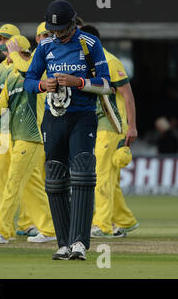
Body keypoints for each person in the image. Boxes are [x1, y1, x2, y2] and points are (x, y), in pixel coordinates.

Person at [24, 0, 111, 260]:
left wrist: (80, 82)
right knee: (55, 176)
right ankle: (63, 244)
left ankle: (80, 243)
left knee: (83, 173)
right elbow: (28, 81)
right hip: (54, 117)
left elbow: (106, 85)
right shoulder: (45, 45)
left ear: (73, 23)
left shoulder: (90, 44)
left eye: (62, 28)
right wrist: (43, 86)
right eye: (54, 29)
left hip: (83, 116)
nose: (58, 34)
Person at [0, 35, 56, 244]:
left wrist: (16, 54)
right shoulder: (12, 74)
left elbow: (26, 70)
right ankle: (49, 229)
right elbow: (3, 101)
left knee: (13, 182)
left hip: (31, 137)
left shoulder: (35, 69)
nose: (6, 54)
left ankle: (2, 230)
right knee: (31, 186)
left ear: (21, 51)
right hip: (19, 137)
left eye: (10, 49)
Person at [79, 24, 139, 238]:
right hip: (98, 125)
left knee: (102, 176)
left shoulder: (110, 62)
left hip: (111, 125)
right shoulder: (89, 62)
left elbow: (128, 96)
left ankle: (102, 225)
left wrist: (131, 126)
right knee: (110, 179)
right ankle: (122, 222)